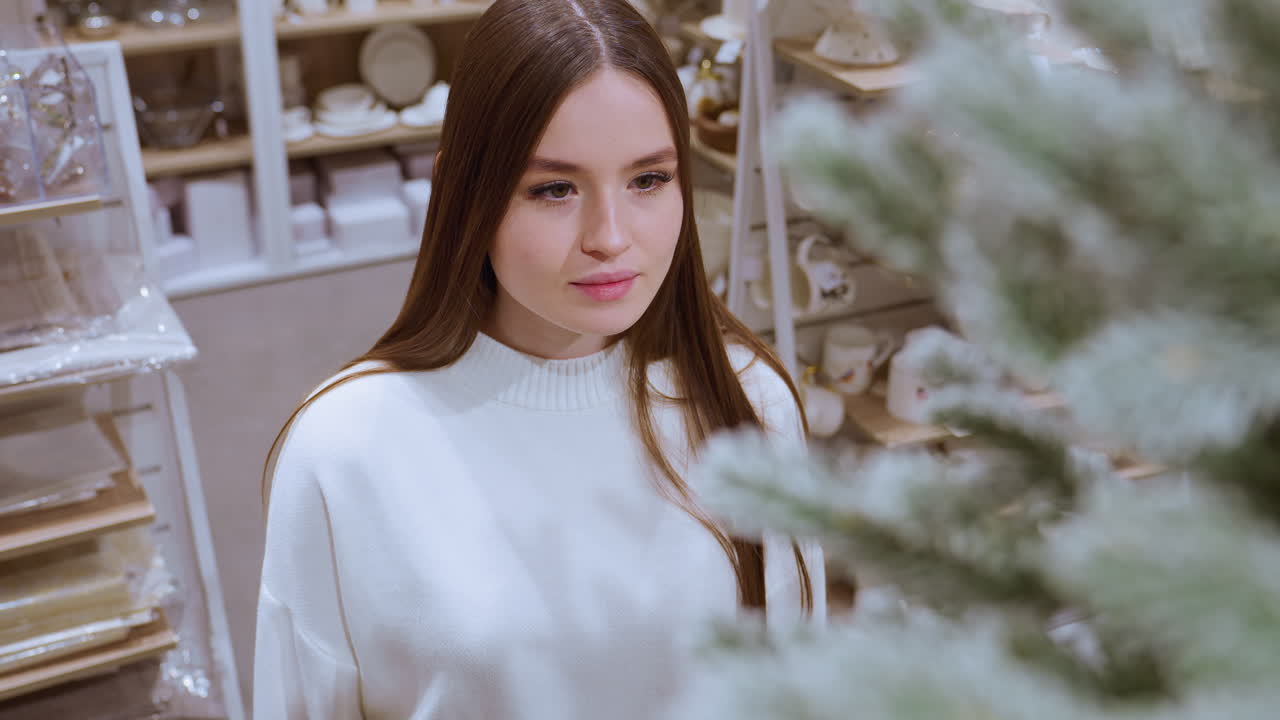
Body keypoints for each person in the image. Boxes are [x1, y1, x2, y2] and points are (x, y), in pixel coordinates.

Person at [253, 0, 825, 717]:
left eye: (648, 179)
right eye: (554, 188)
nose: (610, 237)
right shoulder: (344, 450)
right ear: (463, 191)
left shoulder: (748, 402)